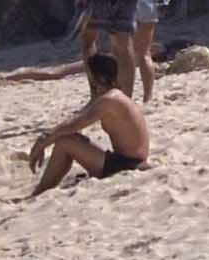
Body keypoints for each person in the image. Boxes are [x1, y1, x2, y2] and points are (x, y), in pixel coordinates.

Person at [27, 55, 151, 192]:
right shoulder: (113, 96)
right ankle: (45, 187)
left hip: (127, 164)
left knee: (64, 142)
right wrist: (48, 137)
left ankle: (41, 190)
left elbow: (72, 125)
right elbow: (76, 119)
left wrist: (43, 142)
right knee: (69, 138)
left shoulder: (110, 100)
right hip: (127, 160)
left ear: (100, 78)